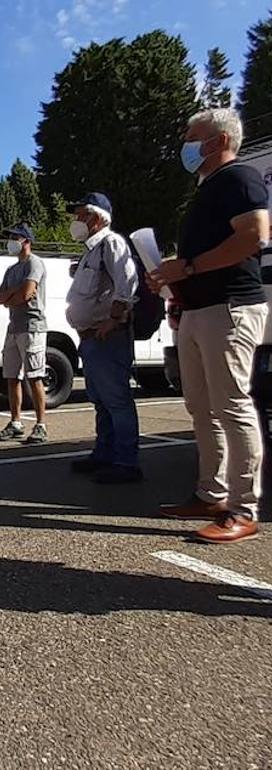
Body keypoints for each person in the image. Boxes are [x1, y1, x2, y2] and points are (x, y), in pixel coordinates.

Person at [150, 108, 270, 543]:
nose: (185, 143)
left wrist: (189, 266)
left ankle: (243, 508)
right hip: (199, 310)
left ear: (219, 141)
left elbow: (255, 235)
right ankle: (211, 494)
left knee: (232, 406)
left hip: (231, 308)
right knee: (202, 408)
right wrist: (174, 280)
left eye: (191, 136)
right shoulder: (208, 189)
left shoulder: (240, 180)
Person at [64, 193, 142, 484]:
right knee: (102, 401)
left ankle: (126, 462)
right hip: (92, 338)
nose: (76, 220)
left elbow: (127, 281)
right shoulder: (91, 250)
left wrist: (114, 318)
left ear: (97, 218)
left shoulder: (111, 242)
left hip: (106, 336)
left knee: (116, 400)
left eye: (81, 214)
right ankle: (104, 454)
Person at [0, 224, 48, 443]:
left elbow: (26, 294)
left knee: (34, 376)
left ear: (26, 240)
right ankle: (15, 422)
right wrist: (14, 294)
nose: (11, 241)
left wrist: (13, 296)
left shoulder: (35, 263)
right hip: (13, 327)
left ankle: (41, 424)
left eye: (15, 237)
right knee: (11, 376)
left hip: (32, 326)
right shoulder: (11, 270)